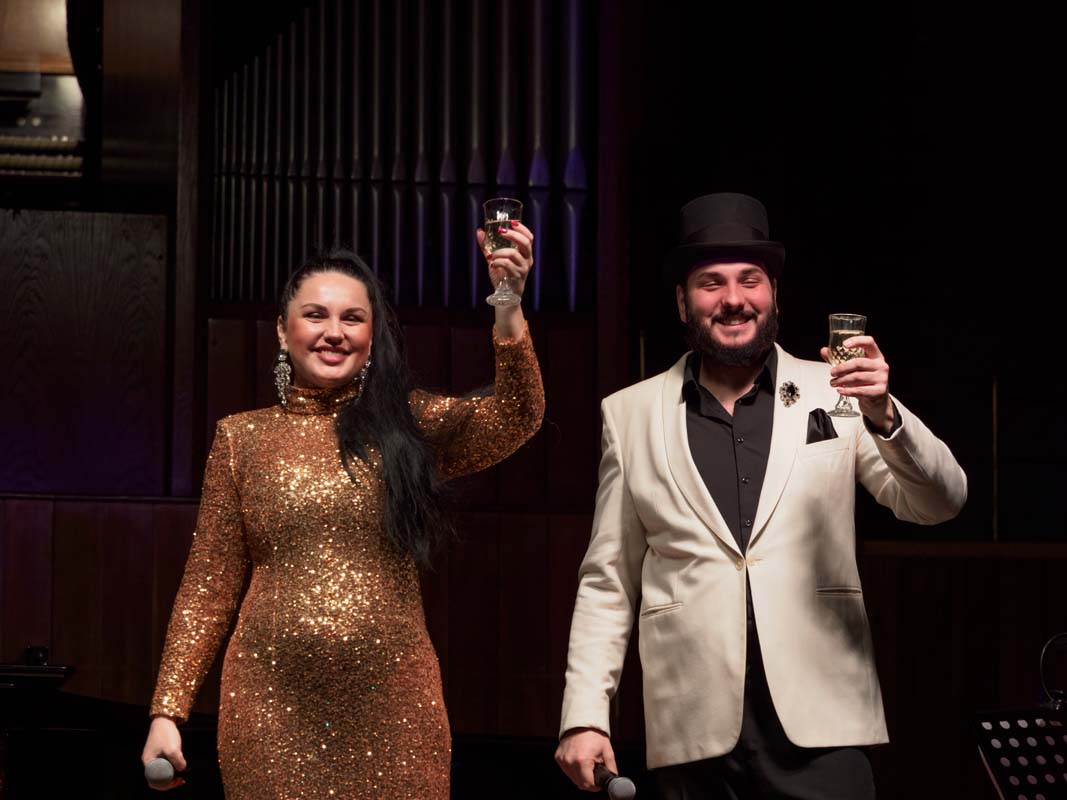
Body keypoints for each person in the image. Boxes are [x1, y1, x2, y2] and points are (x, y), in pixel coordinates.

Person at [554, 193, 967, 798]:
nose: (733, 299)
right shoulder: (629, 414)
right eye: (711, 283)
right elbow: (608, 579)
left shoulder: (840, 393)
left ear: (774, 293)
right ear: (682, 301)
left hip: (823, 726)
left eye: (750, 280)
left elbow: (940, 502)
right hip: (693, 734)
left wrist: (884, 415)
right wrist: (585, 714)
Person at [142, 222, 544, 799]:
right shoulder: (240, 439)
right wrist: (168, 710)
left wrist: (507, 303)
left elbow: (517, 416)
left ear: (372, 337)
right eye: (315, 315)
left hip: (396, 712)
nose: (334, 332)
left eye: (353, 318)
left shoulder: (408, 424)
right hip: (268, 710)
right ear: (282, 331)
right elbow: (209, 584)